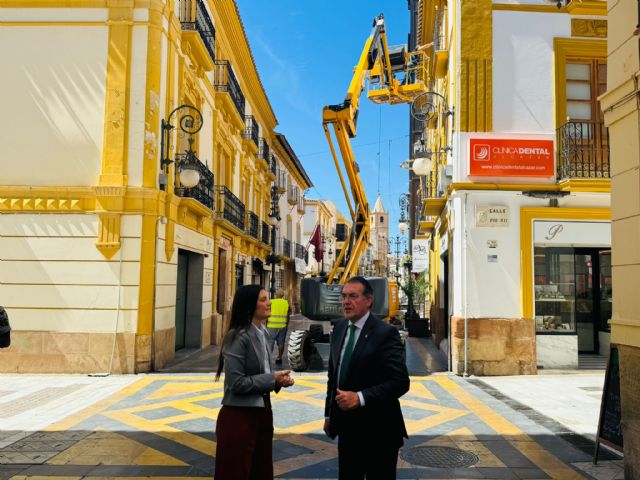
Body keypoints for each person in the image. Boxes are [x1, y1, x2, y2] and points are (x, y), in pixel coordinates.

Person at [324, 276, 410, 479]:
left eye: (353, 296)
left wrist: (360, 398)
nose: (346, 302)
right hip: (347, 430)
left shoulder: (385, 333)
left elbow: (400, 382)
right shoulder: (340, 328)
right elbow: (333, 378)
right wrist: (329, 415)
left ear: (369, 300)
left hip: (379, 431)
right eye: (344, 296)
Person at [214, 284, 294, 480]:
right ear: (250, 306)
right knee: (236, 473)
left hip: (262, 413)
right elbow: (236, 383)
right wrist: (272, 378)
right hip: (239, 418)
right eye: (263, 299)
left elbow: (261, 374)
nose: (269, 303)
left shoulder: (262, 332)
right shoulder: (238, 337)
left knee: (261, 471)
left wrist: (278, 381)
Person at [266, 289, 290, 364]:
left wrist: (266, 324)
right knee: (281, 343)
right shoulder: (286, 303)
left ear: (276, 295)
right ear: (283, 295)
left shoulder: (271, 302)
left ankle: (269, 358)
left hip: (271, 326)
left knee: (270, 342)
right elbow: (288, 315)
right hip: (282, 326)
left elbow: (267, 313)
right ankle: (279, 357)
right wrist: (286, 324)